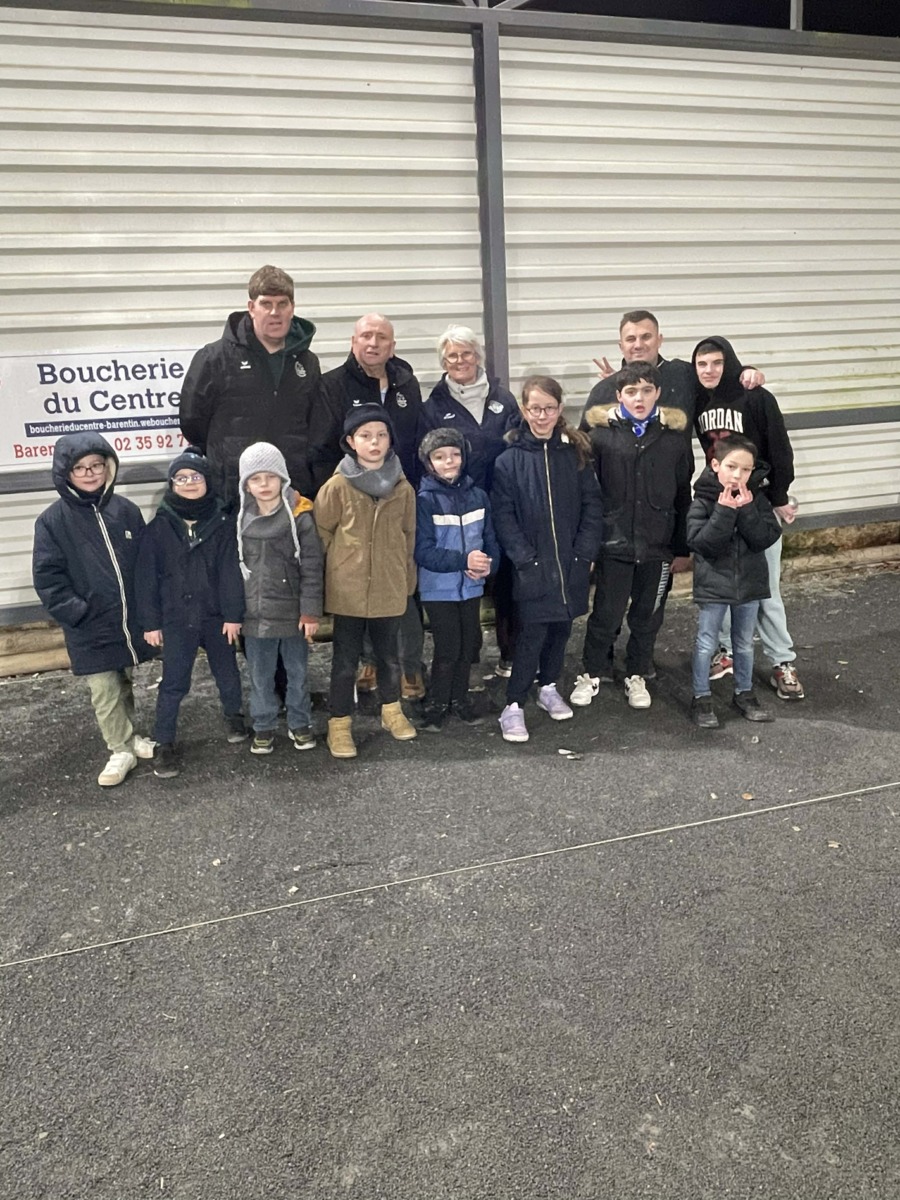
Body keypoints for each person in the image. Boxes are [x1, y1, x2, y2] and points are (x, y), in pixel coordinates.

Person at [312, 312, 426, 700]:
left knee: (402, 588)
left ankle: (410, 665)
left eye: (381, 337)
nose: (373, 343)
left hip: (400, 493)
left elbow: (415, 441)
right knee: (359, 586)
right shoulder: (332, 385)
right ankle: (370, 661)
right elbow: (322, 445)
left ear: (392, 346)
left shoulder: (407, 385)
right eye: (366, 336)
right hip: (354, 498)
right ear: (353, 341)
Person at [32, 433, 155, 787]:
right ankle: (118, 748)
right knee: (104, 688)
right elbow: (47, 576)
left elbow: (145, 565)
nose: (89, 474)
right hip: (89, 624)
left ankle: (131, 736)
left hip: (126, 621)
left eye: (96, 466)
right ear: (65, 473)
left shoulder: (125, 511)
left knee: (124, 681)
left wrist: (146, 608)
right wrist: (77, 612)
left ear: (108, 466)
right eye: (80, 468)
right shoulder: (53, 522)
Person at [573, 361, 692, 710]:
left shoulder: (674, 439)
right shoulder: (601, 437)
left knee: (647, 614)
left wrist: (681, 545)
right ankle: (593, 671)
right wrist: (591, 543)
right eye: (630, 391)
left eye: (646, 390)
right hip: (615, 544)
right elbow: (589, 494)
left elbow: (683, 491)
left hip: (657, 547)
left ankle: (637, 673)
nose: (638, 398)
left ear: (657, 393)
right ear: (618, 395)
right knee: (606, 614)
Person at [491, 376, 603, 744]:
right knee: (532, 634)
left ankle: (548, 685)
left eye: (549, 408)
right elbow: (503, 515)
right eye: (535, 408)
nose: (542, 415)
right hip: (532, 566)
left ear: (560, 411)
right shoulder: (509, 461)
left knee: (561, 627)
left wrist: (584, 553)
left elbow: (592, 506)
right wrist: (525, 559)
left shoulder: (575, 456)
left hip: (571, 564)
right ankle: (513, 704)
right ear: (524, 410)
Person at [692, 336, 805, 700]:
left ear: (732, 363)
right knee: (723, 583)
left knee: (765, 587)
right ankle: (725, 652)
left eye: (717, 362)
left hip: (757, 504)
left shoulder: (756, 396)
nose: (709, 370)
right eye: (702, 364)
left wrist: (779, 497)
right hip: (719, 501)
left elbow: (780, 448)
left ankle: (782, 660)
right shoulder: (698, 400)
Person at [135, 447, 246, 779]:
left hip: (215, 618)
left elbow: (231, 572)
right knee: (173, 683)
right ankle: (165, 742)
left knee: (227, 674)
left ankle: (234, 717)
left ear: (207, 481)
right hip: (176, 619)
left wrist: (233, 614)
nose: (188, 483)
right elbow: (145, 578)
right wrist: (151, 622)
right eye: (181, 478)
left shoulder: (223, 523)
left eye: (195, 477)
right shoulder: (158, 527)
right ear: (172, 485)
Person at [314, 404, 418, 759]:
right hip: (348, 591)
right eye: (365, 436)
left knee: (390, 658)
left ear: (390, 440)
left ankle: (392, 710)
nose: (374, 443)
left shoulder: (403, 488)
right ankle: (339, 724)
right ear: (350, 441)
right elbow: (322, 534)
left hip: (389, 586)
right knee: (345, 662)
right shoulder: (337, 486)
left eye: (381, 435)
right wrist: (337, 571)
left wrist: (406, 578)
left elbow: (409, 535)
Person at [422, 324, 520, 685]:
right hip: (455, 510)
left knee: (504, 578)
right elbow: (426, 457)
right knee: (462, 578)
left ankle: (510, 653)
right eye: (452, 356)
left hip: (502, 503)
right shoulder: (433, 406)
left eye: (466, 353)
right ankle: (466, 660)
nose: (460, 361)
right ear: (443, 362)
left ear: (477, 356)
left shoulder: (503, 399)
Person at [179, 265, 321, 509]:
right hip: (232, 495)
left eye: (283, 303)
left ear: (293, 308)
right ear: (251, 307)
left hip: (291, 493)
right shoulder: (214, 358)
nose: (275, 312)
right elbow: (193, 423)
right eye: (266, 304)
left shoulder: (308, 362)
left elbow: (315, 426)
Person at [687, 434, 781, 728]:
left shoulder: (758, 500)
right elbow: (702, 543)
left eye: (746, 469)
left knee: (743, 644)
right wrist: (725, 511)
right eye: (731, 467)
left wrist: (749, 509)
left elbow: (764, 538)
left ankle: (744, 693)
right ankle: (701, 697)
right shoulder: (703, 499)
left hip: (749, 585)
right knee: (706, 644)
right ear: (715, 465)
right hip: (714, 585)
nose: (738, 475)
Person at [237, 442, 323, 755]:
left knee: (297, 675)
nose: (264, 485)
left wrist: (310, 613)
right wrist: (234, 615)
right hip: (255, 615)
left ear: (283, 479)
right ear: (246, 483)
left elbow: (312, 566)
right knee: (260, 677)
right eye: (256, 479)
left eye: (270, 477)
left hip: (292, 614)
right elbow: (233, 572)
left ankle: (300, 724)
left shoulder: (300, 516)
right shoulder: (239, 520)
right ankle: (263, 726)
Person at [414, 427, 500, 732]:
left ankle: (459, 699)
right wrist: (462, 561)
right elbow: (423, 551)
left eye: (454, 454)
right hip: (439, 588)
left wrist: (488, 565)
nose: (449, 461)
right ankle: (438, 702)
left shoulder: (478, 496)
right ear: (429, 463)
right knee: (448, 647)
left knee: (468, 646)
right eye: (440, 457)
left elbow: (490, 539)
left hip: (471, 587)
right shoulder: (424, 500)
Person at [579, 309, 765, 438]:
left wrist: (746, 371)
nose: (638, 345)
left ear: (660, 340)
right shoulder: (603, 391)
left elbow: (715, 377)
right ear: (621, 346)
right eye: (630, 339)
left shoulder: (684, 374)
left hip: (676, 492)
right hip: (618, 493)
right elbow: (584, 444)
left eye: (646, 337)